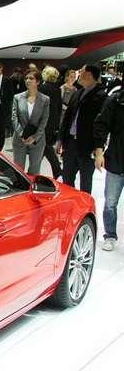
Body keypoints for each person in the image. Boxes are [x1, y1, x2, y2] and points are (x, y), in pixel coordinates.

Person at [58, 64, 108, 194]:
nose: (79, 73)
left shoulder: (101, 96)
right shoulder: (77, 93)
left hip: (87, 146)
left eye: (82, 71)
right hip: (70, 143)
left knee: (85, 182)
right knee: (67, 178)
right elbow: (67, 118)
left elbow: (102, 125)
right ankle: (69, 202)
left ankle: (84, 205)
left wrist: (98, 149)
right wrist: (61, 139)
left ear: (89, 75)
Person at [94, 86, 124, 251]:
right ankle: (110, 235)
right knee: (111, 202)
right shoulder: (115, 100)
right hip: (117, 158)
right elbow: (101, 125)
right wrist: (99, 153)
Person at [11, 70, 50, 174]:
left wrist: (35, 137)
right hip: (20, 138)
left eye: (31, 78)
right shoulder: (17, 97)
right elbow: (14, 118)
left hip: (37, 140)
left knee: (34, 170)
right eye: (26, 78)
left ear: (38, 82)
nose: (28, 80)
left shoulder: (45, 99)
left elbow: (44, 120)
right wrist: (22, 135)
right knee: (18, 170)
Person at [39, 66, 63, 178]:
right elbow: (58, 108)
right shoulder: (57, 89)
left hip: (43, 122)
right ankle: (56, 170)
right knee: (44, 147)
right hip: (52, 122)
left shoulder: (42, 88)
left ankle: (57, 169)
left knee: (44, 146)